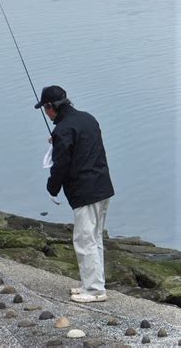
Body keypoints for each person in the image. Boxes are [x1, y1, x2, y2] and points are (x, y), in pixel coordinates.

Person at [35, 85, 115, 303]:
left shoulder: (62, 130)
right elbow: (85, 144)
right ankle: (93, 284)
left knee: (84, 240)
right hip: (103, 186)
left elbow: (61, 164)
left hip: (84, 191)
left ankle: (95, 290)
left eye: (45, 108)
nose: (46, 113)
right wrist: (59, 140)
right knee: (95, 238)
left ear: (51, 107)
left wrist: (52, 188)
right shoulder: (88, 119)